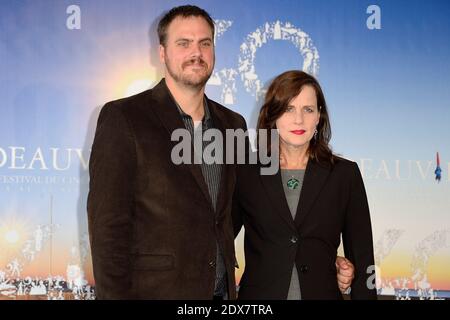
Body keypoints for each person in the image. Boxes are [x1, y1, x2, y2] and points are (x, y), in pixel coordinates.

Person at [87, 5, 354, 300]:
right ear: (162, 53)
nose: (196, 52)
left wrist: (319, 258)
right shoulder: (124, 117)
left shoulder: (232, 124)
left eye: (205, 43)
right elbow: (108, 229)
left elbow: (247, 213)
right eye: (183, 43)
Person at [232, 70, 377, 300]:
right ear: (273, 115)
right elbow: (220, 237)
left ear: (319, 116)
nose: (298, 119)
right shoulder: (246, 172)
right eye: (289, 108)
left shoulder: (345, 175)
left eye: (308, 109)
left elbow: (363, 258)